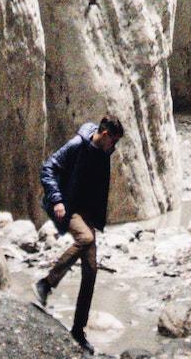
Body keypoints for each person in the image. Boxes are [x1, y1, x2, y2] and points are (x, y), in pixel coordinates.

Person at [35, 115, 125, 353]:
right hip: (68, 206)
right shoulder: (77, 144)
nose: (114, 147)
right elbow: (48, 168)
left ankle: (78, 329)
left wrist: (96, 219)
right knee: (84, 239)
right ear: (105, 135)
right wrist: (56, 200)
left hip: (86, 213)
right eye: (113, 141)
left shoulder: (103, 152)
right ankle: (46, 283)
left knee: (91, 270)